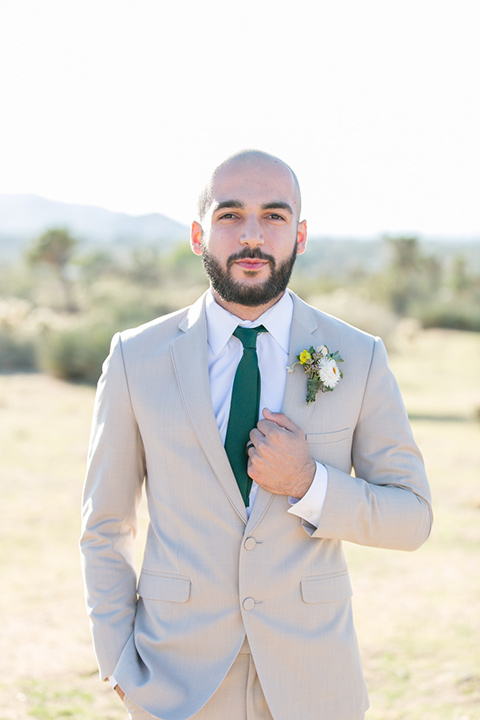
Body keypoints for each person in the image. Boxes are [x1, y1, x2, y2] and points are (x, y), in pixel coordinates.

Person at [80, 150, 432, 720]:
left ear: (301, 234)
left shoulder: (360, 357)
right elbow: (105, 527)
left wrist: (308, 483)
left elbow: (413, 517)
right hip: (173, 684)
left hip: (314, 685)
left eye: (274, 216)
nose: (252, 236)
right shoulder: (134, 359)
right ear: (199, 235)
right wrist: (118, 662)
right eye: (229, 216)